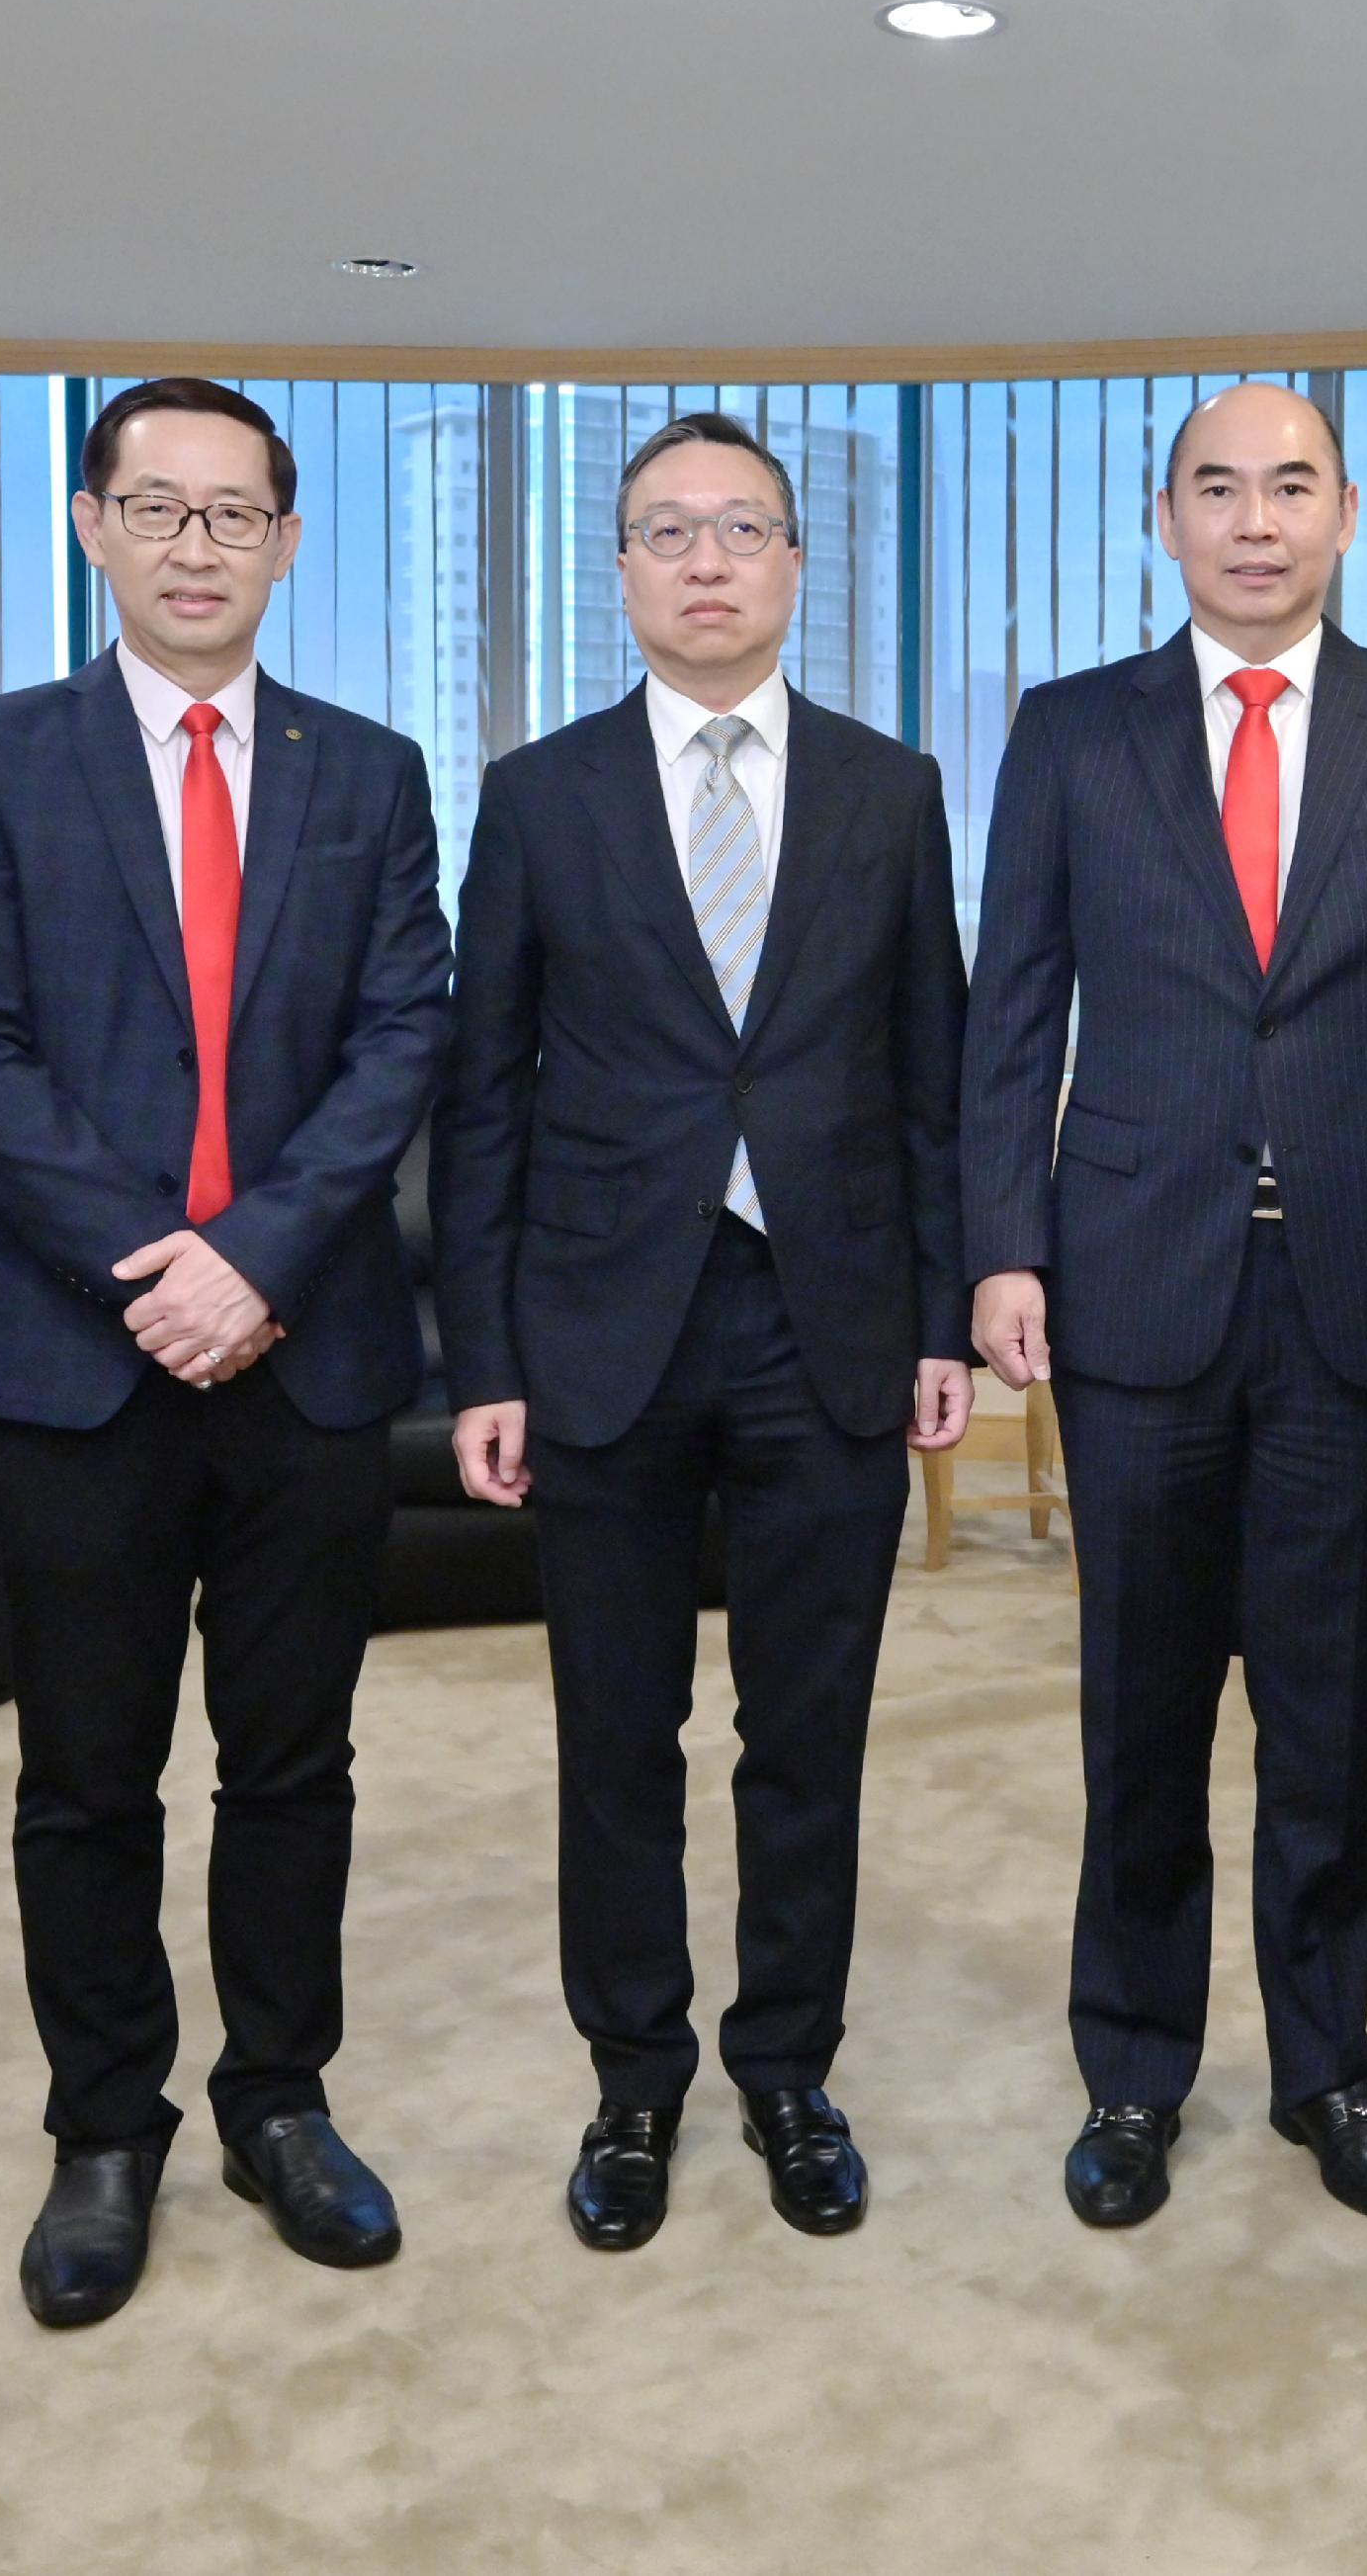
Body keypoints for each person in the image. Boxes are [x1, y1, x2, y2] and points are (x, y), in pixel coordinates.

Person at [0, 377, 451, 2330]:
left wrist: (258, 1258)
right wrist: (162, 1263)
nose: (198, 544)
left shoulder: (368, 770)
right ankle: (104, 2124)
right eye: (160, 508)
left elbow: (405, 1033)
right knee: (85, 1774)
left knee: (293, 1762)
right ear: (92, 529)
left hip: (301, 1356)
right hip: (79, 1355)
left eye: (236, 513)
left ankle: (276, 2097)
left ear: (288, 542)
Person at [963, 381, 1367, 2230]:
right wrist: (1003, 1245)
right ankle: (1134, 2072)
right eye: (1220, 488)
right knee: (1140, 1706)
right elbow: (1010, 1012)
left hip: (1361, 1287)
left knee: (1331, 1709)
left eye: (1292, 487)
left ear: (1347, 514)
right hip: (1134, 1283)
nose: (1256, 520)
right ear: (1163, 516)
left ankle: (1327, 2069)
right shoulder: (1072, 730)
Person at [434, 410, 970, 2252]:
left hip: (825, 1324)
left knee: (807, 1727)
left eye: (744, 529)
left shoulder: (893, 790)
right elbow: (482, 1092)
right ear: (624, 571)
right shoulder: (537, 792)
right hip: (602, 1330)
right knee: (618, 1732)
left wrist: (936, 1321)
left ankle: (789, 2066)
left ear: (799, 565)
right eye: (668, 531)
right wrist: (485, 1359)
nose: (709, 561)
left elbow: (932, 1076)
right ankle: (634, 2078)